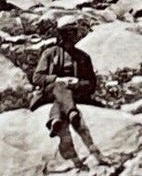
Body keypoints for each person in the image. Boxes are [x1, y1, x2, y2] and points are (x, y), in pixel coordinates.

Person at [31, 16, 107, 164]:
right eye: (66, 33)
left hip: (73, 93)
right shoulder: (49, 53)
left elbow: (91, 83)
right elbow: (37, 78)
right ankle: (72, 113)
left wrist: (77, 82)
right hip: (50, 91)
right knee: (60, 87)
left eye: (72, 32)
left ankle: (56, 119)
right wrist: (57, 80)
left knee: (64, 93)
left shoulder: (83, 57)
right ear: (60, 34)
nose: (69, 37)